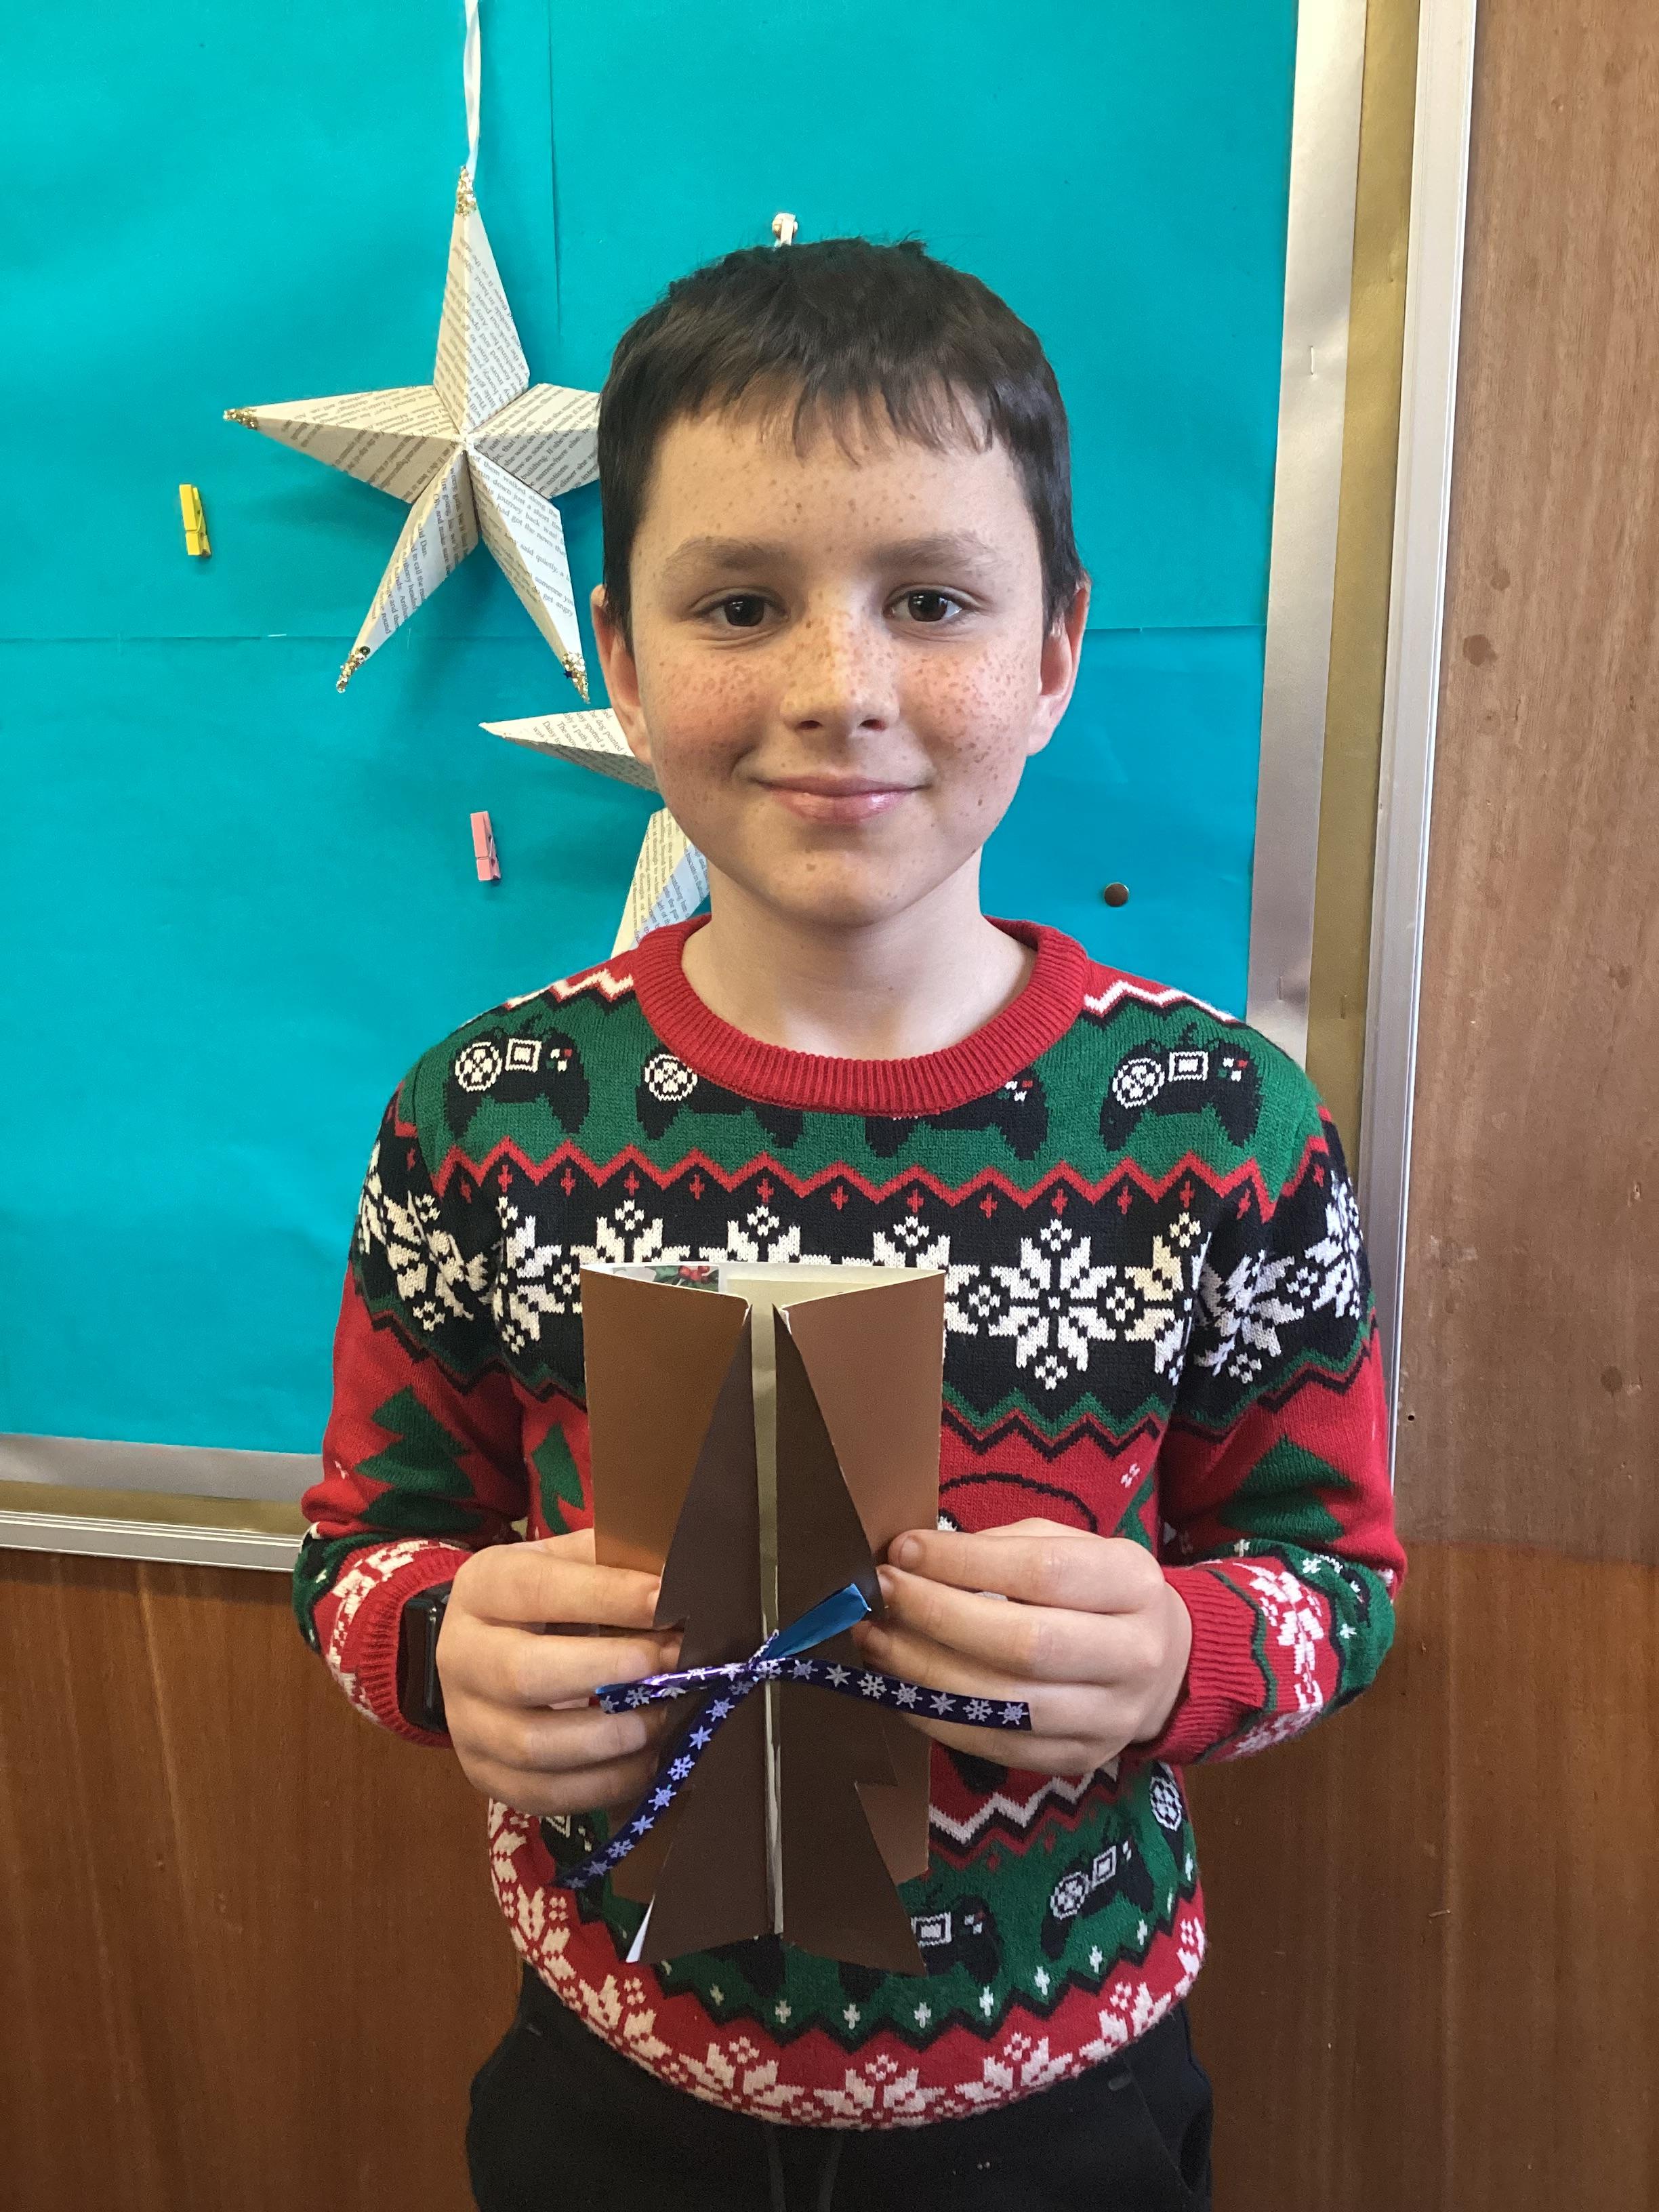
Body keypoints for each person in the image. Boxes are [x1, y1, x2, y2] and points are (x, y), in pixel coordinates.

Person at [296, 237, 1405, 2212]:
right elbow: (361, 1549)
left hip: (1061, 2111)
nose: (840, 689)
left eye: (933, 601)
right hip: (613, 2092)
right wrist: (441, 1643)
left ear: (1054, 651)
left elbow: (1340, 1573)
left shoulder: (1218, 1125)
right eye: (740, 604)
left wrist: (1188, 1652)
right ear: (622, 654)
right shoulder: (487, 1114)